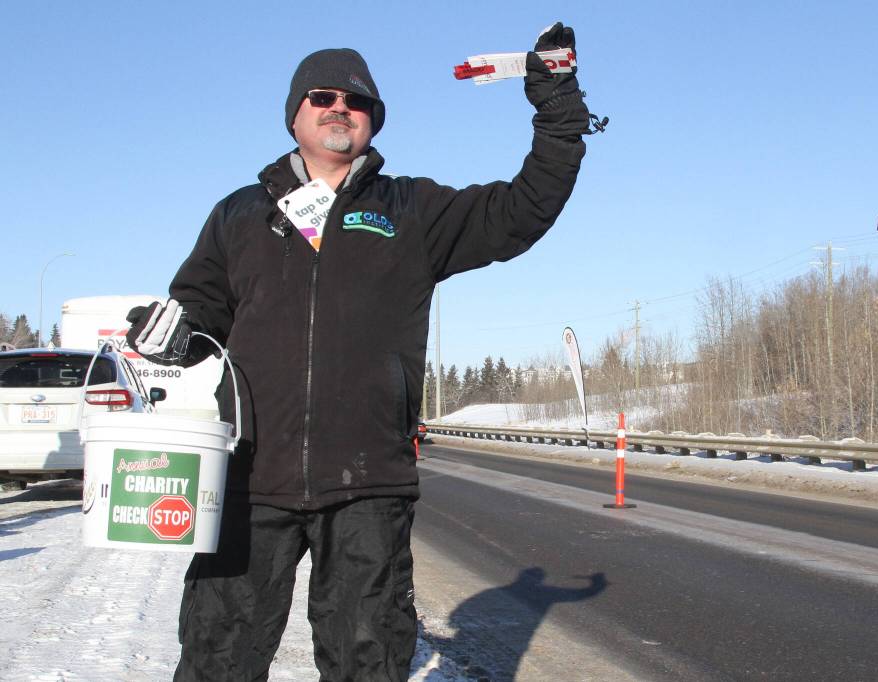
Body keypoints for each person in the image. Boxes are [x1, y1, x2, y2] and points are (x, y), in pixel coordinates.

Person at [126, 21, 601, 681]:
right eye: (323, 97)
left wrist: (558, 112)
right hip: (252, 475)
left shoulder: (409, 210)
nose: (340, 108)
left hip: (367, 482)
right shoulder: (240, 214)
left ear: (373, 122)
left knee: (365, 661)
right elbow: (200, 307)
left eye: (357, 101)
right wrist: (169, 332)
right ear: (295, 115)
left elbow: (523, 210)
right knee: (219, 656)